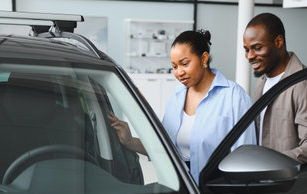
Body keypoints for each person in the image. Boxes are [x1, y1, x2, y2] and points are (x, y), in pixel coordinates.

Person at [109, 29, 256, 184]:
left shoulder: (234, 97)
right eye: (174, 66)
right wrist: (129, 141)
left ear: (204, 58)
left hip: (220, 191)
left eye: (184, 64)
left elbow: (246, 160)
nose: (179, 72)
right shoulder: (177, 96)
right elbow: (165, 148)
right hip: (182, 189)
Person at [243, 13, 307, 163]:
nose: (249, 56)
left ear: (278, 42)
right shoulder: (262, 81)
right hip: (263, 178)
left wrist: (274, 163)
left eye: (257, 48)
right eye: (246, 49)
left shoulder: (305, 84)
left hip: (292, 182)